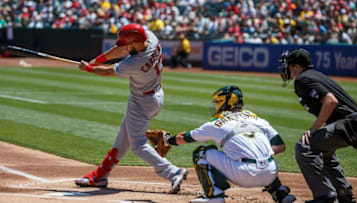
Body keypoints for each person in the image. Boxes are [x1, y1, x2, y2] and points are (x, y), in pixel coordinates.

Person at [74, 23, 188, 194]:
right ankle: (100, 175)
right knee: (123, 139)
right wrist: (96, 60)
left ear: (134, 43)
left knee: (138, 145)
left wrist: (89, 68)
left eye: (128, 44)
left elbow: (107, 71)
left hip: (142, 101)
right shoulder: (151, 38)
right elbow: (119, 49)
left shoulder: (135, 62)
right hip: (154, 95)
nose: (125, 46)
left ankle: (173, 172)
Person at [163, 86, 296, 203]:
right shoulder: (258, 120)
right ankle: (281, 194)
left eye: (217, 103)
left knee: (201, 153)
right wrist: (259, 154)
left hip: (244, 175)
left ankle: (214, 196)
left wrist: (167, 140)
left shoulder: (216, 123)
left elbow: (183, 138)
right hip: (271, 173)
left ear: (224, 103)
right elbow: (280, 146)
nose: (215, 106)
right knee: (264, 155)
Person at [279, 48, 357, 203]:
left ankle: (325, 197)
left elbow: (331, 101)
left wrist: (312, 129)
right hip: (353, 122)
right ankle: (344, 195)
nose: (286, 68)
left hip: (350, 123)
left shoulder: (302, 79)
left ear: (297, 67)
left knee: (305, 146)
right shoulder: (315, 75)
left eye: (289, 65)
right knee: (324, 151)